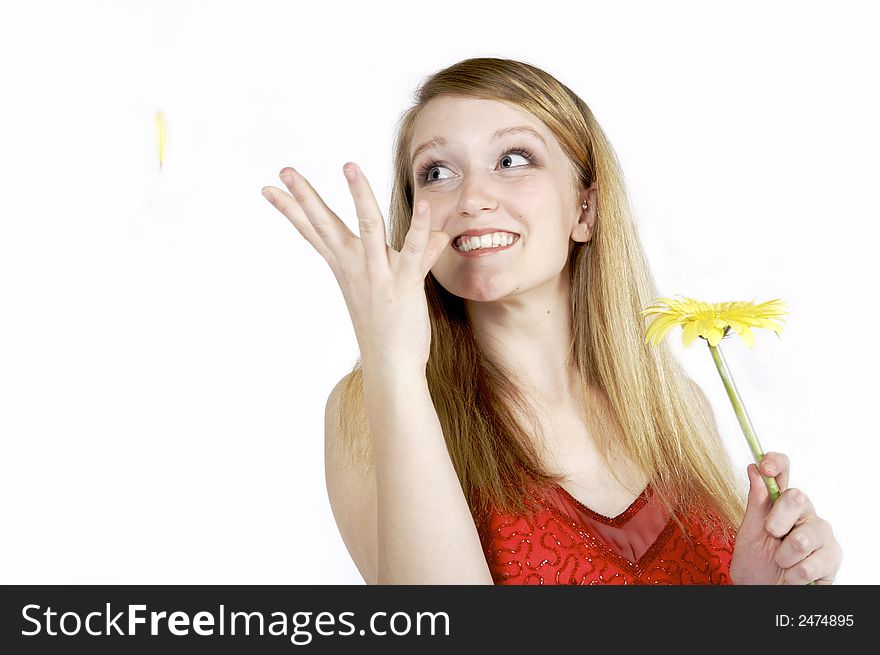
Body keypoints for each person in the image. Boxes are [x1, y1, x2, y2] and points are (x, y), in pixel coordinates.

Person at [261, 57, 843, 585]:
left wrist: (765, 603)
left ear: (585, 208)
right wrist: (392, 361)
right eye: (437, 172)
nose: (472, 198)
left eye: (512, 160)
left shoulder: (674, 404)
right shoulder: (369, 407)